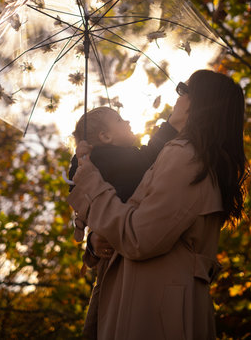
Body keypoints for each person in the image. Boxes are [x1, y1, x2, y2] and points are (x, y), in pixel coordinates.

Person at [68, 70, 250, 340]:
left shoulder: (185, 156)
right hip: (150, 300)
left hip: (155, 309)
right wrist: (96, 239)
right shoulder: (190, 156)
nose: (175, 98)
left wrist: (90, 182)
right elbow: (135, 213)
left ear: (198, 102)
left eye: (181, 90)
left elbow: (139, 237)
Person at [68, 106, 178, 337]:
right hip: (124, 243)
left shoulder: (92, 162)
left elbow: (86, 201)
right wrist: (168, 128)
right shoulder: (116, 158)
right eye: (119, 119)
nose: (127, 120)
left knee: (101, 315)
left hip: (113, 244)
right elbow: (150, 155)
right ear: (106, 137)